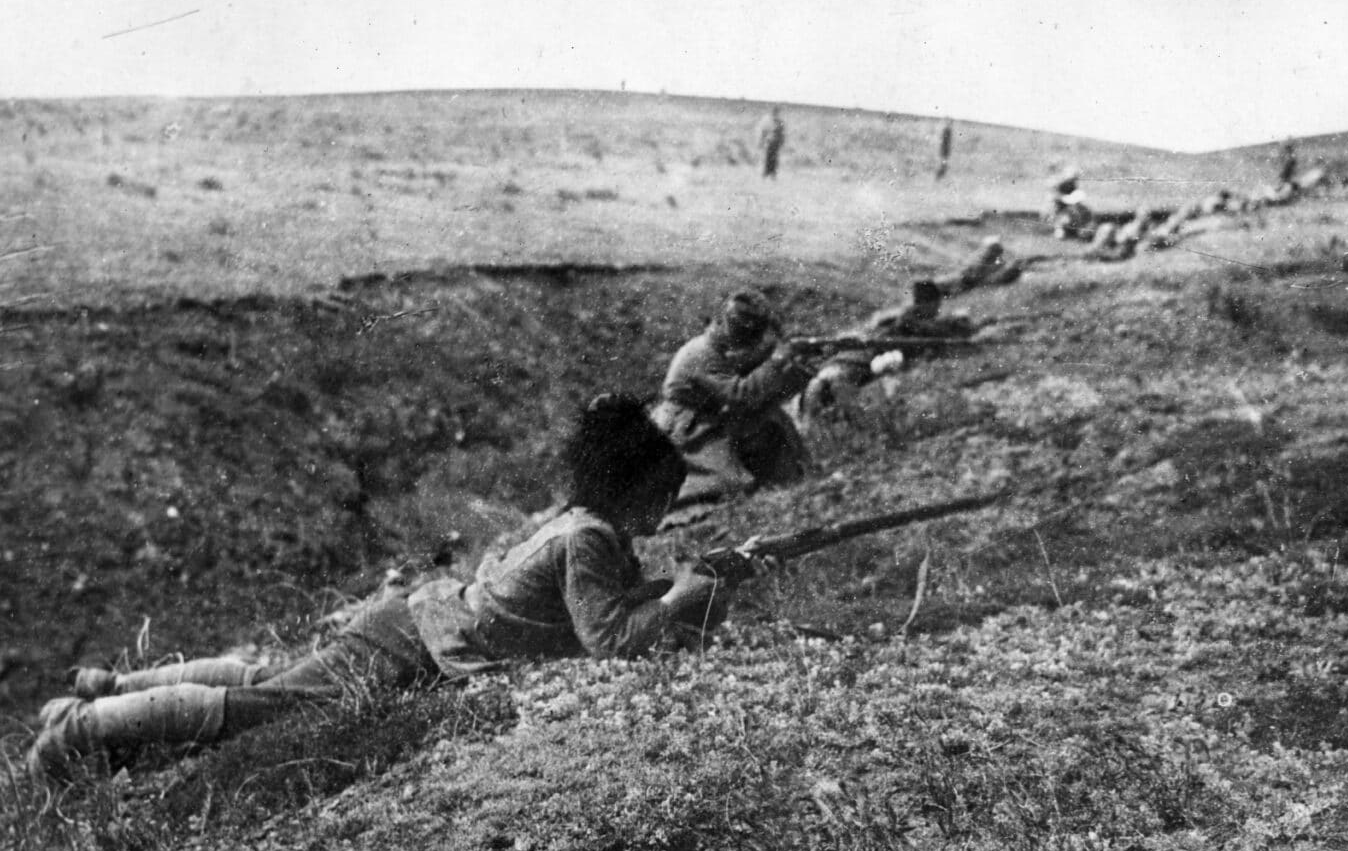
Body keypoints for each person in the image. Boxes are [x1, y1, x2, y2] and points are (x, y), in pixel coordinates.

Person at [28, 395, 730, 782]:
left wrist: (669, 585)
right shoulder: (591, 538)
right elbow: (606, 639)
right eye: (660, 498)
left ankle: (111, 689)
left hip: (416, 625)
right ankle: (84, 730)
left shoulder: (583, 523)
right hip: (415, 643)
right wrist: (677, 599)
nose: (662, 513)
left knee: (277, 680)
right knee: (266, 707)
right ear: (628, 488)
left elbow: (596, 608)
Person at [652, 291, 815, 508]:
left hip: (707, 420)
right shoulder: (701, 354)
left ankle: (786, 477)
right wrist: (777, 361)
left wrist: (793, 363)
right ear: (720, 323)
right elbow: (740, 394)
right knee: (722, 483)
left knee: (772, 423)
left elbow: (750, 370)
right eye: (740, 332)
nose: (746, 342)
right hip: (686, 429)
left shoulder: (718, 348)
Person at [800, 280, 972, 417]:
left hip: (837, 368)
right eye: (936, 305)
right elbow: (934, 332)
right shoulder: (908, 322)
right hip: (849, 370)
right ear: (927, 304)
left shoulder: (893, 320)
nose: (938, 310)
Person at [756, 106, 786, 179]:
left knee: (773, 159)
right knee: (769, 158)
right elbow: (764, 132)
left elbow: (782, 133)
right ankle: (767, 174)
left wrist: (782, 142)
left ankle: (772, 174)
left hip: (775, 143)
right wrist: (761, 141)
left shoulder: (780, 122)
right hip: (770, 142)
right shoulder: (769, 121)